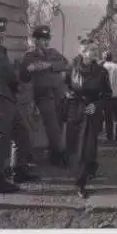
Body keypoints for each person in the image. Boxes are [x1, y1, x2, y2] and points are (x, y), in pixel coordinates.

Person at [0, 17, 39, 194]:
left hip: (7, 98)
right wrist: (20, 80)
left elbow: (8, 72)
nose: (2, 35)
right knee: (0, 138)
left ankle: (19, 171)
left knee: (21, 134)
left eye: (3, 32)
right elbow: (6, 73)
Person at [64, 38, 113, 198]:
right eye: (91, 49)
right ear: (83, 52)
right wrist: (66, 93)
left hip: (91, 112)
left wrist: (97, 105)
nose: (95, 52)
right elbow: (64, 85)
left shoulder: (101, 71)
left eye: (95, 49)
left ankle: (81, 184)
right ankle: (86, 170)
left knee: (86, 148)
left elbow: (107, 95)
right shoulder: (71, 67)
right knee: (75, 147)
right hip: (74, 110)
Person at [19, 25, 69, 167]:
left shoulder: (53, 52)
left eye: (47, 39)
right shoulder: (30, 56)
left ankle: (55, 155)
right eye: (43, 39)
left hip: (58, 95)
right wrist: (31, 69)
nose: (46, 42)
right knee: (53, 127)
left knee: (58, 126)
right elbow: (23, 75)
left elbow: (65, 63)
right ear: (36, 40)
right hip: (43, 96)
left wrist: (48, 65)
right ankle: (59, 156)